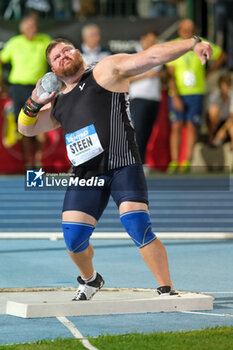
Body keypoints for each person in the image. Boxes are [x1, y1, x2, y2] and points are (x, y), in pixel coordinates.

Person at [18, 36, 213, 301]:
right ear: (52, 70)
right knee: (73, 239)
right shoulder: (58, 102)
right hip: (86, 175)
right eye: (56, 57)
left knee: (137, 224)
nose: (62, 56)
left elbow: (152, 56)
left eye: (66, 50)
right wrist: (35, 101)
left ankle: (166, 288)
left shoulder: (104, 71)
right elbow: (26, 129)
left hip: (123, 165)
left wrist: (191, 43)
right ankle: (90, 279)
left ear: (77, 52)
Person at [166, 19, 226, 173]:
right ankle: (174, 161)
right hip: (178, 92)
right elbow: (170, 75)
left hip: (196, 91)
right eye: (184, 29)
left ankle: (186, 161)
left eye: (190, 29)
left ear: (194, 30)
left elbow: (221, 55)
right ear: (179, 30)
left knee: (192, 126)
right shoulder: (174, 44)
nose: (187, 32)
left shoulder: (201, 43)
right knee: (176, 125)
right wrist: (176, 96)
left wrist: (209, 72)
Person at [0, 16, 51, 168]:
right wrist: (1, 84)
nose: (32, 29)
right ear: (22, 29)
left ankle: (38, 160)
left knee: (42, 122)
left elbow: (55, 59)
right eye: (28, 27)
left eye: (34, 26)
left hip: (39, 88)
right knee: (22, 125)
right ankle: (28, 161)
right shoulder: (14, 43)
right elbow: (2, 59)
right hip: (19, 88)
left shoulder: (45, 40)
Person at [129, 30, 162, 167]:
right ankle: (136, 162)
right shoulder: (132, 54)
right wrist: (145, 76)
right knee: (139, 130)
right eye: (150, 40)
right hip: (138, 97)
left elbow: (164, 76)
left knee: (148, 131)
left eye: (154, 41)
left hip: (154, 98)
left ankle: (142, 161)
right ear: (143, 38)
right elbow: (125, 78)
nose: (152, 43)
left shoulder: (158, 55)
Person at [207, 73, 233, 148]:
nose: (224, 89)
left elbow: (232, 118)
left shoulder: (231, 97)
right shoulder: (214, 97)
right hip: (216, 124)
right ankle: (213, 136)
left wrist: (223, 130)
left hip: (227, 124)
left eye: (226, 87)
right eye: (222, 87)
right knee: (213, 110)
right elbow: (209, 116)